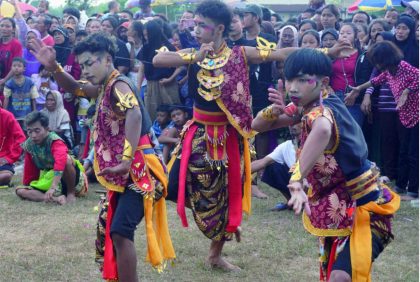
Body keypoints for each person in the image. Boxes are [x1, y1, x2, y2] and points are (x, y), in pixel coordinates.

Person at [153, 0, 350, 271]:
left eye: (202, 25)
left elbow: (281, 53)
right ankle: (212, 225)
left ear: (219, 28)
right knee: (174, 186)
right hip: (198, 134)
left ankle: (215, 254)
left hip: (229, 138)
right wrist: (194, 57)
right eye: (195, 24)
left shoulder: (241, 53)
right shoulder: (194, 51)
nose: (196, 29)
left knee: (227, 194)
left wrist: (326, 50)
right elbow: (157, 59)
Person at [29, 32, 175, 281]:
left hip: (140, 172)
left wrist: (126, 159)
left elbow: (135, 115)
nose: (85, 70)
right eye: (82, 64)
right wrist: (54, 68)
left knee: (120, 231)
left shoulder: (119, 85)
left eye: (89, 63)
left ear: (108, 59)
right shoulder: (105, 85)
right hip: (125, 172)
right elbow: (76, 88)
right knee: (116, 231)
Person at [251, 48, 400, 282]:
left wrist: (297, 180)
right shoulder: (306, 106)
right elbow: (257, 125)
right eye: (290, 79)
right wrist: (274, 110)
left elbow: (321, 128)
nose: (293, 87)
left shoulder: (322, 111)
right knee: (333, 273)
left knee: (339, 277)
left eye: (302, 80)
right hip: (340, 211)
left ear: (324, 82)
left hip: (366, 212)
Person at [349, 41, 419, 200]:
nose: (377, 65)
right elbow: (375, 81)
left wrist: (407, 91)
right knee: (403, 150)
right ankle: (401, 185)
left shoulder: (404, 67)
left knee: (413, 153)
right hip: (405, 114)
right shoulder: (389, 71)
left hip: (417, 115)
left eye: (378, 61)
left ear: (386, 58)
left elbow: (418, 77)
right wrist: (359, 89)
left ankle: (413, 190)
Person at [15, 111, 87, 205]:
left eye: (37, 130)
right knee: (20, 191)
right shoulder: (29, 144)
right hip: (50, 179)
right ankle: (56, 199)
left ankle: (70, 194)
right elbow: (30, 172)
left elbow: (61, 162)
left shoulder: (55, 141)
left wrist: (53, 187)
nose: (33, 135)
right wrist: (29, 187)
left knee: (66, 160)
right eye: (29, 131)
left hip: (70, 180)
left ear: (47, 129)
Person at [138, 20, 181, 120]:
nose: (146, 38)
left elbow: (180, 66)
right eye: (144, 35)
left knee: (172, 114)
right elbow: (141, 70)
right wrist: (138, 87)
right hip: (151, 85)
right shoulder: (145, 48)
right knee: (153, 114)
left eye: (148, 35)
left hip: (168, 85)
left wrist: (171, 78)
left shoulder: (168, 47)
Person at [251, 124, 301, 211]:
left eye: (297, 122)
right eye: (291, 123)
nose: (292, 125)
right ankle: (291, 202)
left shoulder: (317, 144)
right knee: (272, 167)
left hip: (313, 184)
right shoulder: (286, 146)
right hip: (295, 183)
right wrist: (235, 172)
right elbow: (262, 162)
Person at [3, 57, 38, 128]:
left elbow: (33, 98)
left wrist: (34, 112)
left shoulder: (30, 82)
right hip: (13, 115)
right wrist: (4, 114)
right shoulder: (9, 83)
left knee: (27, 133)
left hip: (27, 115)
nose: (16, 68)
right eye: (14, 66)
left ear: (24, 68)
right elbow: (6, 99)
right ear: (11, 68)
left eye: (19, 66)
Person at [0, 107, 26, 186]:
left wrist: (9, 158)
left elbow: (21, 138)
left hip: (2, 159)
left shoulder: (7, 116)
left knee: (6, 176)